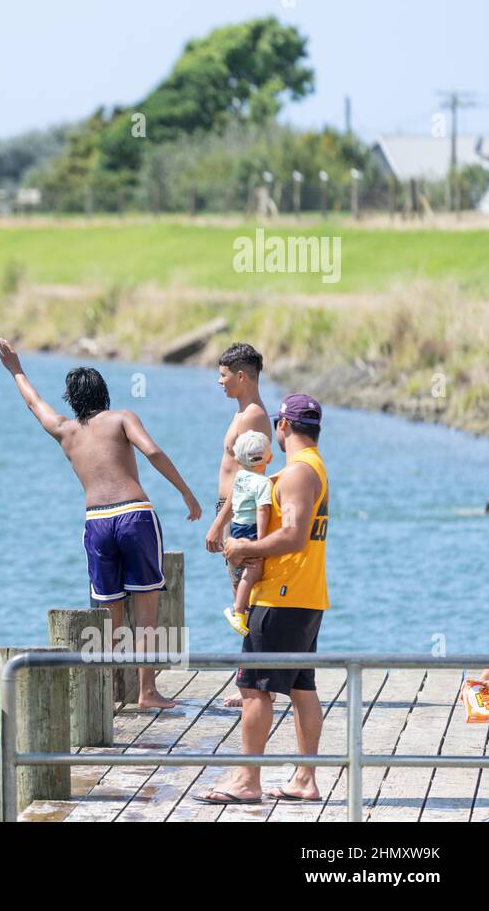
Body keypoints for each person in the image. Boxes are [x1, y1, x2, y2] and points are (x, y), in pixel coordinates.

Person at [0, 340, 202, 709]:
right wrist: (186, 493)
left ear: (72, 400)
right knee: (147, 611)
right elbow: (152, 451)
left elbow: (33, 403)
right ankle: (147, 692)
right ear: (103, 393)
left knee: (109, 616)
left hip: (97, 523)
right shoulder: (122, 418)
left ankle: (107, 697)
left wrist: (15, 368)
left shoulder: (64, 429)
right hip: (135, 515)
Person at [194, 394, 330, 805]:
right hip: (306, 596)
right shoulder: (311, 468)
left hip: (280, 597)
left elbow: (293, 534)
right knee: (302, 687)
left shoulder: (297, 474)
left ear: (284, 426)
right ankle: (305, 780)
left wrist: (242, 549)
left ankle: (246, 781)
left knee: (254, 688)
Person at [205, 343, 271, 701]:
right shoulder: (242, 412)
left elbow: (249, 477)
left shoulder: (254, 418)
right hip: (232, 509)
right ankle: (251, 678)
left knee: (246, 600)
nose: (220, 382)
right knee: (240, 599)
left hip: (240, 513)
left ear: (241, 376)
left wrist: (219, 522)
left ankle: (256, 682)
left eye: (224, 375)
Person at [223, 429, 273, 636]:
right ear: (269, 458)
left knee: (240, 570)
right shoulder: (263, 483)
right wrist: (261, 541)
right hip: (251, 530)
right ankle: (238, 611)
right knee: (253, 569)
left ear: (238, 458)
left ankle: (240, 607)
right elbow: (262, 510)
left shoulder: (240, 477)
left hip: (236, 528)